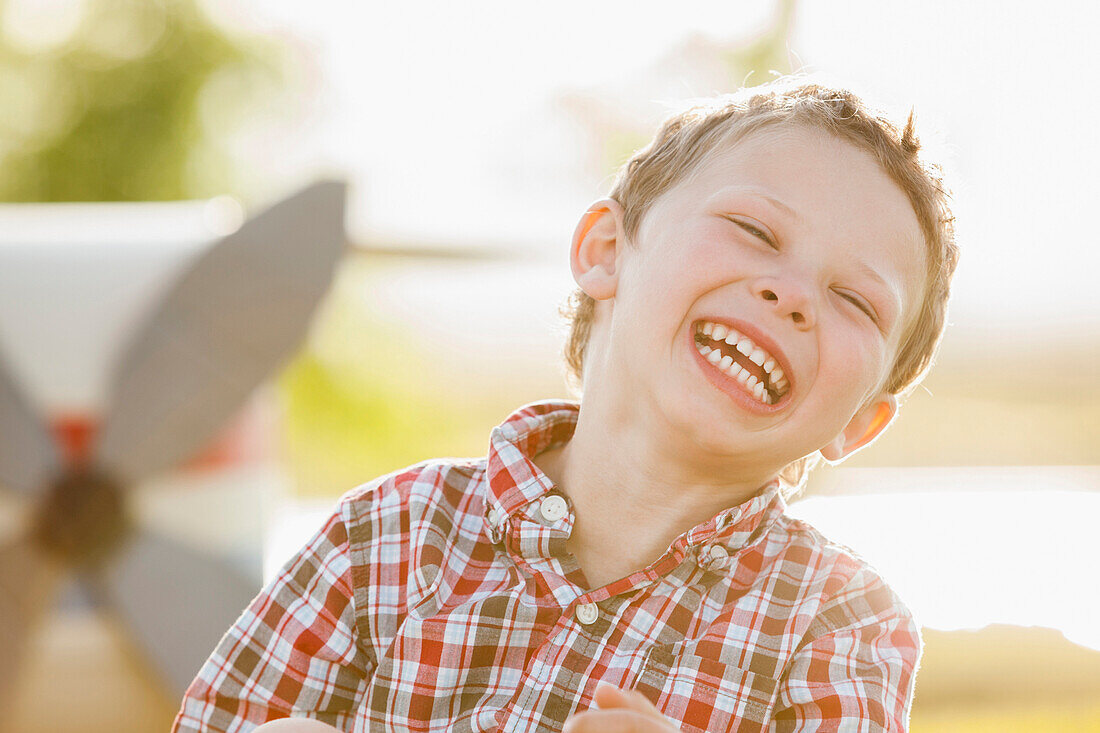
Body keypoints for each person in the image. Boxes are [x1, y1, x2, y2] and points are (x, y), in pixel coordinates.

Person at [172, 78, 958, 733]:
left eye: (854, 300)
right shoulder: (388, 538)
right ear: (607, 251)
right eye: (754, 229)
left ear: (861, 421)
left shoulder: (840, 624)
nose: (790, 294)